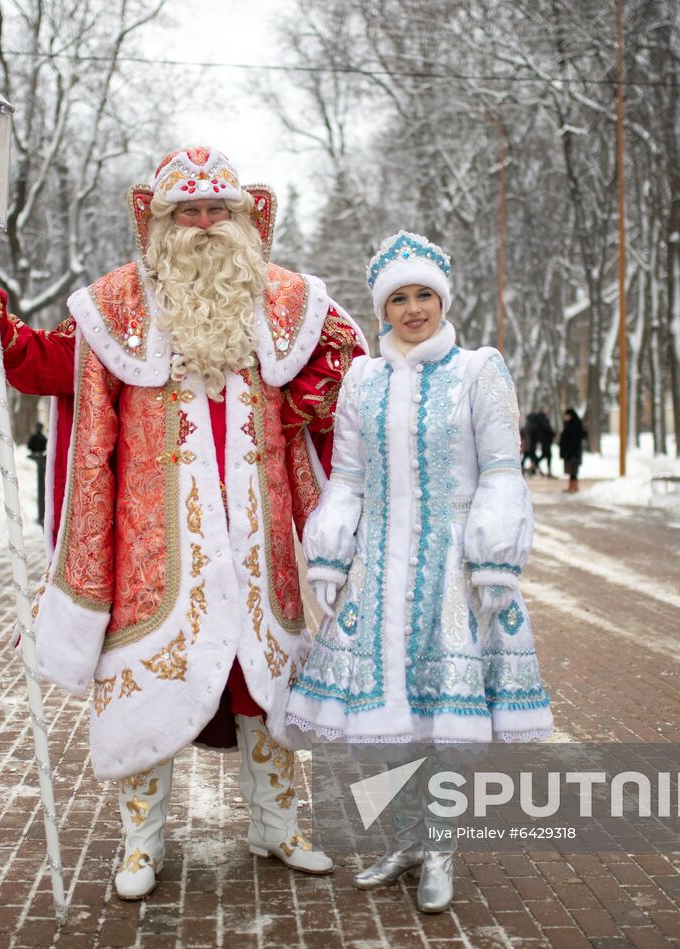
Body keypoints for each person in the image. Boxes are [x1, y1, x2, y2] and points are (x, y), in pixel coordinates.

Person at [0, 147, 366, 900]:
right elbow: (49, 364)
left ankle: (278, 826)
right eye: (188, 211)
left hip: (259, 546)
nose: (204, 224)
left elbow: (350, 364)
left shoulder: (286, 300)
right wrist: (4, 335)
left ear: (243, 219)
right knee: (147, 687)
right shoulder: (116, 304)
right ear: (160, 222)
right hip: (155, 551)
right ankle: (141, 843)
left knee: (261, 686)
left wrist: (320, 395)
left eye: (218, 210)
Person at [285, 231, 553, 913]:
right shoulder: (363, 379)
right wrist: (329, 552)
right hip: (378, 569)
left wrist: (493, 558)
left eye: (423, 295)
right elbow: (348, 477)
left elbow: (502, 471)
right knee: (381, 721)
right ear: (382, 309)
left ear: (442, 300)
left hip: (451, 568)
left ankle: (441, 848)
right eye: (398, 298)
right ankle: (405, 839)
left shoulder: (478, 371)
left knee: (441, 722)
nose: (412, 309)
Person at [559, 407, 586, 493]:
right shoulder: (569, 424)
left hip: (573, 452)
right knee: (571, 471)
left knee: (573, 470)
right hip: (570, 452)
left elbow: (575, 439)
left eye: (566, 415)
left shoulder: (575, 425)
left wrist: (571, 450)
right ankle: (571, 486)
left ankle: (574, 487)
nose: (565, 417)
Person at [26, 422, 48, 525]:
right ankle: (41, 516)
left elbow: (29, 446)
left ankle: (41, 516)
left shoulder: (36, 438)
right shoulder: (43, 438)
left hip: (39, 459)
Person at [529, 407, 555, 477]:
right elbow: (546, 428)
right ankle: (536, 465)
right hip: (545, 440)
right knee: (547, 455)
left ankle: (535, 464)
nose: (547, 410)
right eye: (546, 409)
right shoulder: (541, 418)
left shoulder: (542, 418)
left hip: (545, 439)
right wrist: (552, 433)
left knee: (546, 455)